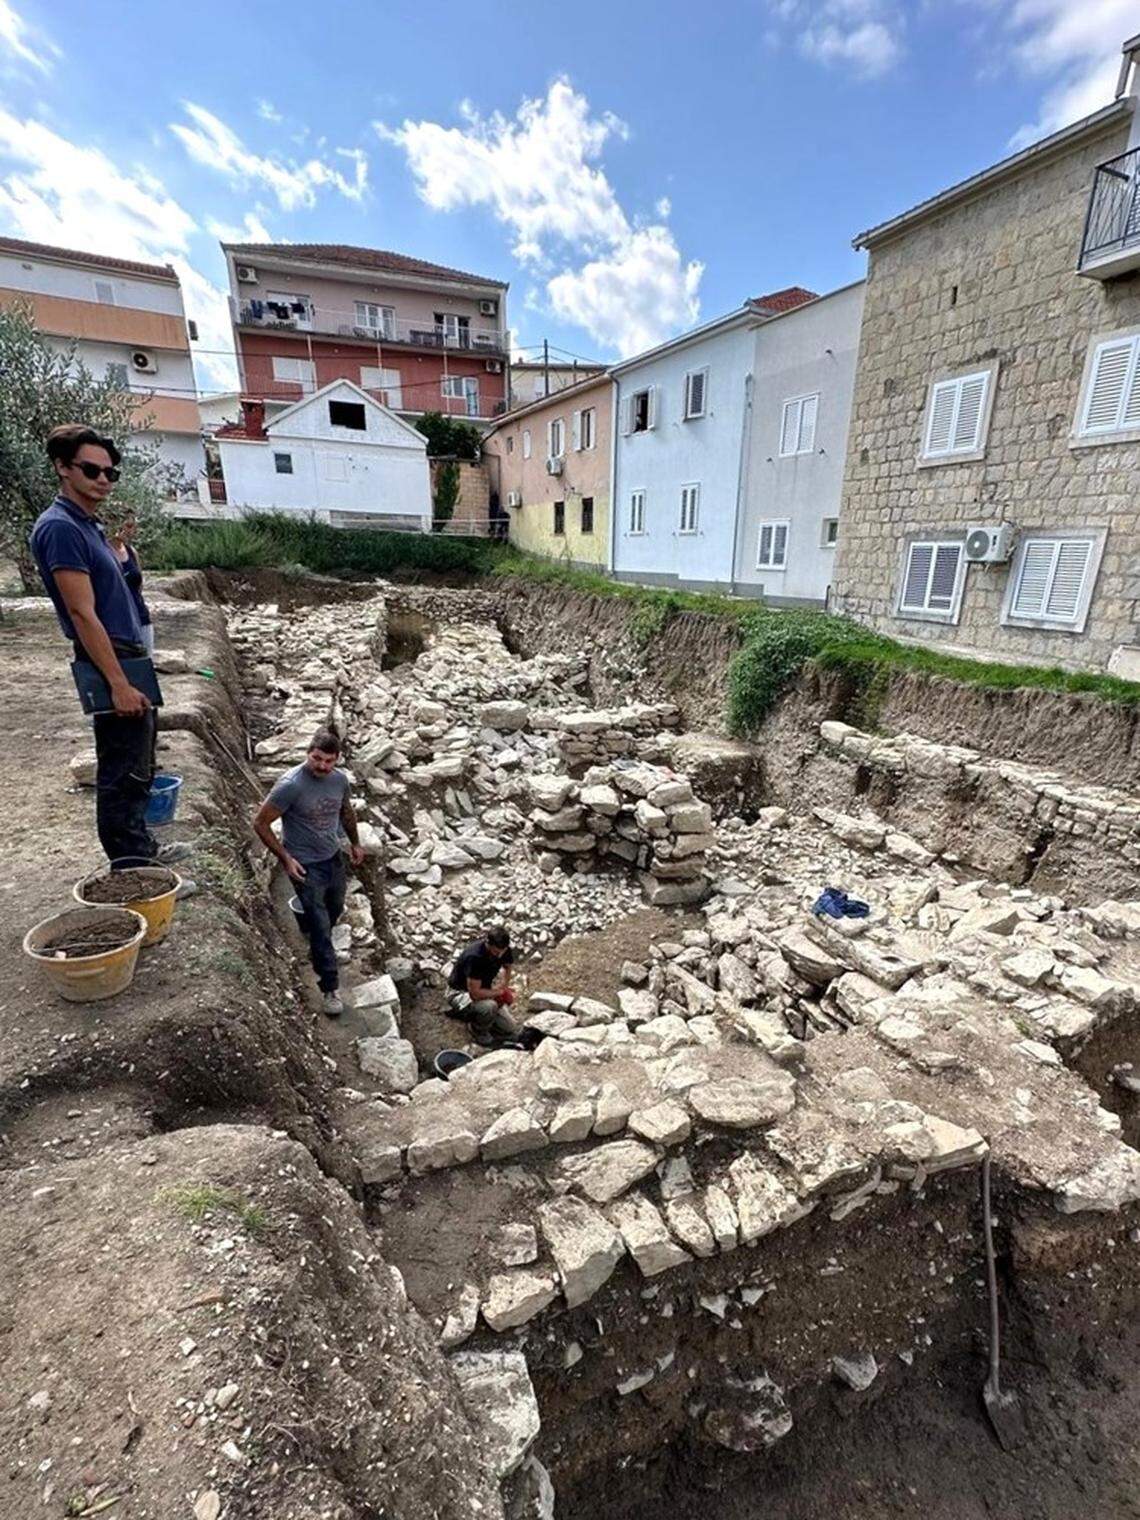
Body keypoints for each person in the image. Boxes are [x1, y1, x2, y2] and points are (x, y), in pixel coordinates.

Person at [29, 424, 189, 868]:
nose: (103, 479)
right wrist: (117, 683)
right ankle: (132, 868)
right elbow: (81, 613)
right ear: (62, 468)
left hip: (127, 654)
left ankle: (142, 851)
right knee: (121, 768)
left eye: (110, 473)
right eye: (91, 470)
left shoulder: (88, 525)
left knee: (139, 761)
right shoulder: (60, 528)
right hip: (111, 658)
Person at [253, 729, 365, 1017]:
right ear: (308, 754)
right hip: (304, 864)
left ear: (337, 759)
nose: (322, 766)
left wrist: (354, 843)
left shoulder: (339, 780)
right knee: (319, 924)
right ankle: (329, 987)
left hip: (332, 857)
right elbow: (261, 823)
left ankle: (318, 948)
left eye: (329, 761)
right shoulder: (290, 785)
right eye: (317, 759)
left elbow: (346, 811)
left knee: (335, 908)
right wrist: (286, 859)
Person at [446, 927, 519, 1043]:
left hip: (483, 988)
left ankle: (479, 1017)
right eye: (496, 952)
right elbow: (475, 994)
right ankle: (477, 1030)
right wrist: (499, 992)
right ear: (488, 944)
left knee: (510, 1027)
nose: (499, 956)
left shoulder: (503, 949)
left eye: (502, 952)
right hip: (460, 993)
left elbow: (508, 966)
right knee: (489, 1006)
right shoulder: (475, 957)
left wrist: (504, 985)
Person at [108, 513, 154, 656]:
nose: (130, 531)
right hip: (114, 622)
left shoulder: (132, 552)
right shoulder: (102, 553)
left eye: (133, 527)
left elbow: (139, 584)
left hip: (140, 617)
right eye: (128, 526)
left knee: (145, 662)